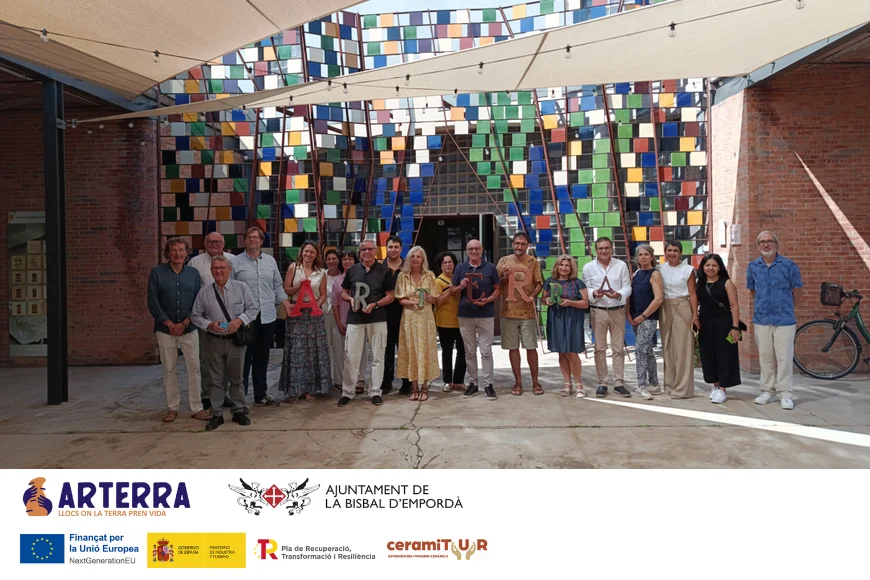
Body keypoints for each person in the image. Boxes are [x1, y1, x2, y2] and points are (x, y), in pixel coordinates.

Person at [190, 255, 258, 431]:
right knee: (215, 379)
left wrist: (239, 321)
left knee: (237, 378)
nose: (218, 271)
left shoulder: (241, 288)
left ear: (229, 270)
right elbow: (195, 316)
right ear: (211, 271)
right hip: (214, 341)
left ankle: (239, 410)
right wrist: (209, 324)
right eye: (215, 268)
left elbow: (253, 309)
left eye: (222, 268)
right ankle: (217, 413)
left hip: (236, 341)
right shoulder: (204, 292)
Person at [146, 237, 209, 423]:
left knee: (194, 368)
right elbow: (152, 301)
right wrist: (169, 323)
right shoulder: (157, 273)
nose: (178, 254)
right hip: (165, 330)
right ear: (168, 253)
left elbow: (198, 300)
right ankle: (172, 408)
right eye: (174, 250)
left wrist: (186, 322)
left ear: (187, 253)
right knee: (169, 369)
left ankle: (197, 407)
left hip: (189, 328)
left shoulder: (193, 274)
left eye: (181, 250)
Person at [232, 226, 291, 407]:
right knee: (244, 358)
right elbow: (230, 289)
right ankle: (239, 398)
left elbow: (277, 286)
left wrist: (287, 304)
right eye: (249, 237)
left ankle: (261, 395)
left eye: (255, 237)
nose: (252, 240)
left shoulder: (270, 261)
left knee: (262, 357)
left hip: (267, 316)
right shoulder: (235, 262)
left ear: (261, 241)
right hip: (245, 318)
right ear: (245, 240)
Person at [747, 231, 803, 410]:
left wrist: (785, 305)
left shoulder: (788, 265)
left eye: (770, 241)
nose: (766, 244)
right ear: (758, 246)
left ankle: (785, 393)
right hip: (762, 318)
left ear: (777, 244)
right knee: (765, 357)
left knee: (784, 357)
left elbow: (797, 290)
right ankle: (767, 390)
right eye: (762, 241)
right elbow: (752, 289)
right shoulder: (753, 266)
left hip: (784, 319)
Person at [338, 239, 396, 407]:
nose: (367, 252)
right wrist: (350, 299)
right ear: (360, 252)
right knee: (351, 356)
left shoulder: (385, 271)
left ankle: (375, 391)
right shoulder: (353, 270)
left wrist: (375, 304)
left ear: (376, 251)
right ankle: (347, 392)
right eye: (364, 249)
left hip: (377, 318)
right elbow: (343, 292)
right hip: (355, 319)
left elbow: (391, 296)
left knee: (378, 356)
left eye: (370, 249)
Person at [188, 231, 235, 411]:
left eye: (218, 241)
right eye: (210, 241)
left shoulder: (233, 260)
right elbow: (192, 290)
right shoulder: (195, 262)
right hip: (205, 321)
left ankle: (225, 394)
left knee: (228, 359)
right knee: (206, 359)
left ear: (223, 244)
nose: (214, 244)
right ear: (205, 244)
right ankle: (207, 394)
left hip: (229, 319)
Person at [279, 241, 332, 401]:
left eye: (312, 252)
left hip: (314, 315)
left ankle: (310, 389)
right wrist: (299, 287)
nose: (309, 254)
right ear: (301, 252)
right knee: (297, 351)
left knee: (313, 351)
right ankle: (295, 389)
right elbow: (286, 289)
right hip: (296, 312)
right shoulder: (294, 268)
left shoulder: (321, 272)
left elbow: (323, 294)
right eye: (306, 251)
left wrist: (317, 305)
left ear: (316, 255)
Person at [581, 236, 632, 398]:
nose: (604, 251)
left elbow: (627, 287)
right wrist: (593, 293)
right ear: (596, 250)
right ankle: (602, 383)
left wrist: (619, 294)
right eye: (601, 248)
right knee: (599, 349)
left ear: (612, 249)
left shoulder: (621, 265)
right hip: (598, 311)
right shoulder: (588, 267)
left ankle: (618, 382)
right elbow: (585, 289)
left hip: (618, 310)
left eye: (607, 248)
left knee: (618, 348)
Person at [496, 232, 544, 396]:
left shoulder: (533, 262)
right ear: (513, 244)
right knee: (513, 348)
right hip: (508, 311)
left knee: (531, 347)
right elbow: (496, 284)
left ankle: (535, 382)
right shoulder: (503, 261)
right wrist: (504, 276)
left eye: (523, 244)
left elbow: (539, 284)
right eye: (517, 243)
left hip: (527, 313)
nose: (519, 246)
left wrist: (532, 296)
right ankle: (518, 382)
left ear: (527, 246)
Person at [453, 238, 501, 401]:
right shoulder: (460, 268)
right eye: (470, 249)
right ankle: (473, 383)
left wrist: (488, 300)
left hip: (485, 314)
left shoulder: (490, 267)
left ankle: (488, 384)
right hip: (465, 315)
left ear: (481, 250)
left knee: (486, 351)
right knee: (469, 352)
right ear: (467, 251)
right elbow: (452, 290)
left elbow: (497, 289)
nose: (474, 251)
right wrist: (460, 286)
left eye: (476, 248)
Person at [395, 246, 441, 401]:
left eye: (418, 256)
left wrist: (429, 298)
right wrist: (411, 303)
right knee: (411, 350)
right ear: (409, 258)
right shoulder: (402, 276)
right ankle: (414, 387)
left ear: (423, 259)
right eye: (413, 256)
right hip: (409, 317)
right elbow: (400, 299)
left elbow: (434, 298)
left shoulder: (430, 275)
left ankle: (425, 387)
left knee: (425, 350)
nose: (415, 259)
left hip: (426, 317)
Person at [542, 255, 588, 397]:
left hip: (572, 319)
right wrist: (547, 301)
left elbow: (585, 303)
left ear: (571, 268)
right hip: (556, 318)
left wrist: (570, 303)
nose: (563, 268)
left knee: (572, 352)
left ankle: (579, 385)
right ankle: (567, 384)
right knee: (561, 352)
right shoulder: (549, 282)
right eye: (561, 265)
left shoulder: (578, 283)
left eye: (567, 265)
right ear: (556, 266)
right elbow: (543, 299)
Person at [697, 254, 741, 402]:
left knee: (725, 355)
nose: (710, 268)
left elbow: (734, 306)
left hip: (724, 324)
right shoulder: (700, 283)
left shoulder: (727, 283)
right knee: (708, 355)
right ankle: (714, 386)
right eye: (707, 265)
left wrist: (735, 327)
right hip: (705, 323)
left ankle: (722, 389)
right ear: (703, 267)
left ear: (719, 267)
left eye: (714, 265)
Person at [658, 240, 699, 399]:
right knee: (667, 348)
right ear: (665, 252)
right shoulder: (659, 268)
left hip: (682, 306)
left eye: (675, 250)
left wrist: (695, 316)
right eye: (669, 250)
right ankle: (670, 385)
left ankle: (683, 389)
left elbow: (692, 293)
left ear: (680, 253)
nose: (672, 253)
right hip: (664, 307)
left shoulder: (688, 270)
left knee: (683, 349)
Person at [330, 250, 373, 394]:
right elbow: (335, 304)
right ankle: (342, 380)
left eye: (350, 259)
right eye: (344, 259)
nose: (347, 261)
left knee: (361, 351)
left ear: (355, 261)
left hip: (360, 320)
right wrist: (338, 323)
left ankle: (360, 379)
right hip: (342, 320)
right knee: (341, 352)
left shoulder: (363, 277)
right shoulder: (337, 280)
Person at [628, 244, 664, 400]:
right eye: (640, 254)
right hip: (635, 318)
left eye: (646, 254)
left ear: (651, 257)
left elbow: (659, 299)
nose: (643, 257)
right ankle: (654, 383)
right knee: (647, 350)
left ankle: (641, 385)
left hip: (648, 318)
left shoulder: (655, 274)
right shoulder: (636, 274)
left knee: (640, 350)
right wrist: (629, 315)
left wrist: (643, 316)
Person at [381, 235, 413, 396]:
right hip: (384, 315)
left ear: (401, 249)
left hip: (405, 315)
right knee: (386, 351)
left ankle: (406, 382)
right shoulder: (380, 268)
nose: (393, 250)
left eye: (396, 247)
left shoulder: (408, 267)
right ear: (386, 249)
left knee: (404, 350)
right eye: (390, 247)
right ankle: (386, 382)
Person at [434, 251, 466, 393]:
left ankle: (459, 381)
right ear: (440, 266)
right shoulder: (438, 281)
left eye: (450, 262)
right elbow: (438, 302)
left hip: (461, 320)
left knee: (462, 352)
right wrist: (451, 291)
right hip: (444, 322)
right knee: (447, 352)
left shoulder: (458, 278)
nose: (448, 265)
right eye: (444, 263)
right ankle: (447, 380)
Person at [323, 249, 343, 389]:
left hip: (338, 316)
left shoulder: (343, 276)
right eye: (329, 259)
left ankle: (339, 381)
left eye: (334, 258)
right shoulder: (320, 275)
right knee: (324, 349)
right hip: (323, 315)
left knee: (339, 349)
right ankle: (324, 381)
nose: (331, 261)